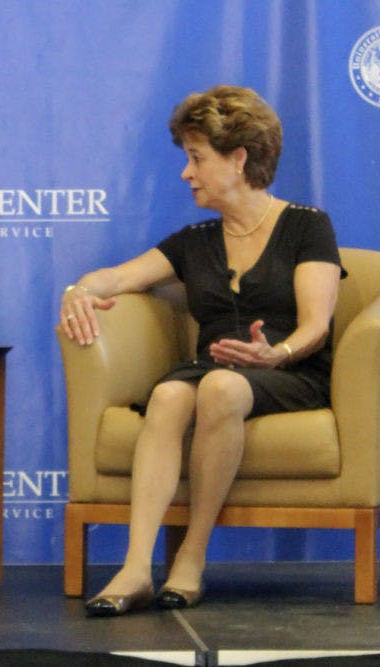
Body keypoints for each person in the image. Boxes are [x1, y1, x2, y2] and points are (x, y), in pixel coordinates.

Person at [59, 85, 344, 617]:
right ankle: (138, 567)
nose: (186, 173)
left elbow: (316, 328)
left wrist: (275, 353)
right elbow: (117, 277)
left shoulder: (308, 226)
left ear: (238, 160)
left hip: (288, 369)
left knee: (219, 386)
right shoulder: (193, 240)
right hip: (213, 367)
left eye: (196, 159)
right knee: (169, 396)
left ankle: (190, 556)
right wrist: (78, 291)